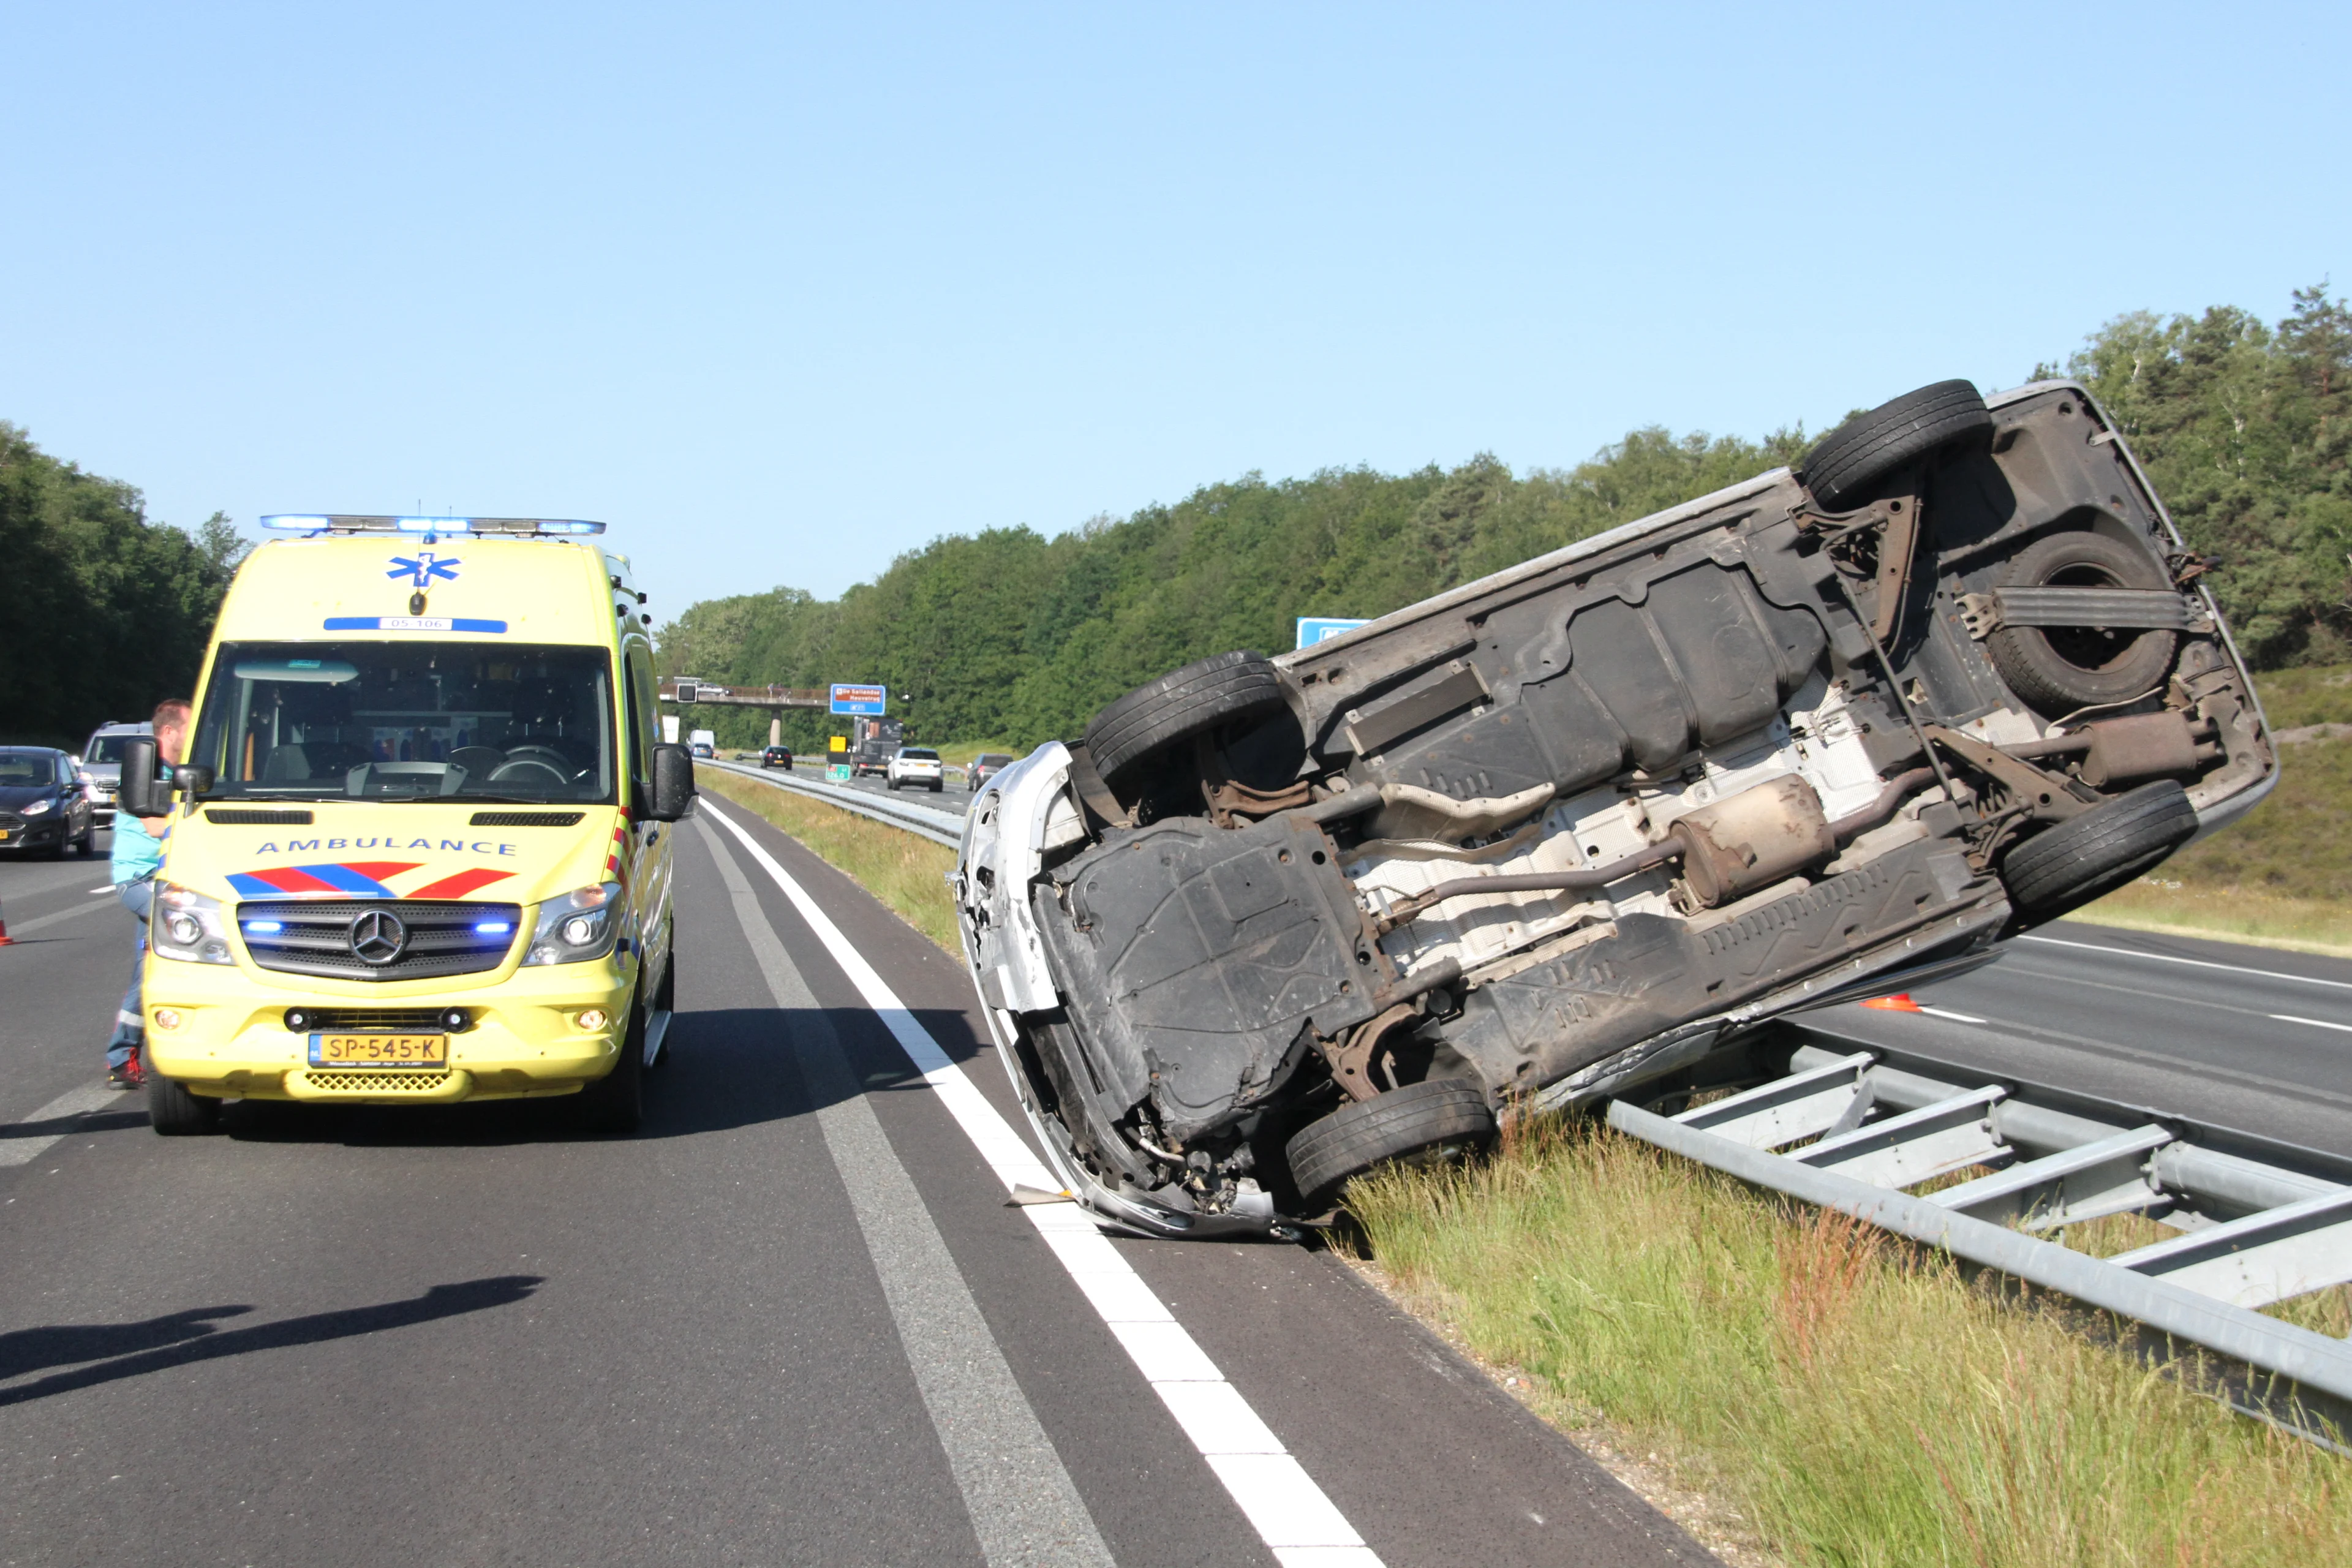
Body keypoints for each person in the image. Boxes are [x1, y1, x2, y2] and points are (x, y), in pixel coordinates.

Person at [105, 698, 190, 1088]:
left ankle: (123, 1058)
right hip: (140, 880)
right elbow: (156, 827)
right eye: (189, 725)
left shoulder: (180, 772)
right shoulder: (143, 774)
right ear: (168, 731)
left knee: (149, 968)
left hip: (170, 879)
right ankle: (125, 1056)